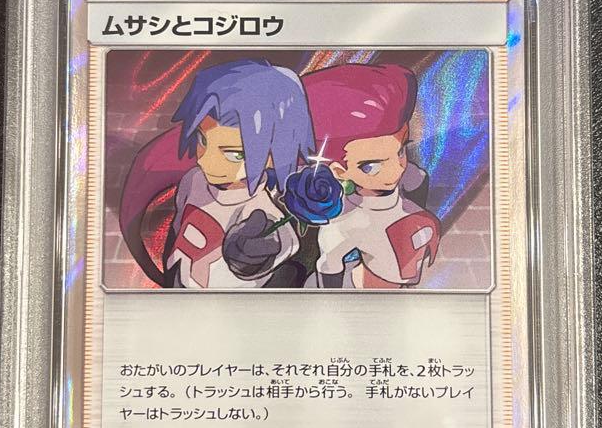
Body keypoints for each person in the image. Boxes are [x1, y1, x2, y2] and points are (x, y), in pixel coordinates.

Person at [119, 59, 314, 289]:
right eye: (203, 140)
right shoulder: (193, 179)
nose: (206, 160)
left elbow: (280, 243)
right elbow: (177, 232)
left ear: (274, 155)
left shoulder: (261, 211)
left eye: (234, 154)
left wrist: (252, 254)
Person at [301, 64, 440, 289]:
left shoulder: (411, 177)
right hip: (365, 286)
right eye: (370, 166)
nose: (395, 170)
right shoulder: (344, 223)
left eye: (400, 151)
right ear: (339, 171)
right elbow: (329, 266)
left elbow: (417, 185)